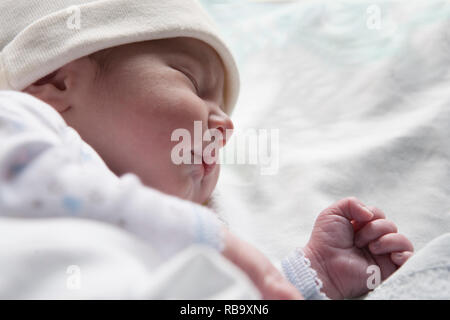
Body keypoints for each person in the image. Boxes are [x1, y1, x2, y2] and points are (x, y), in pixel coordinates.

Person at [0, 0, 413, 299]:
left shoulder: (161, 248)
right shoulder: (18, 120)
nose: (227, 125)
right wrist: (208, 237)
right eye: (192, 82)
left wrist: (307, 277)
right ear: (55, 82)